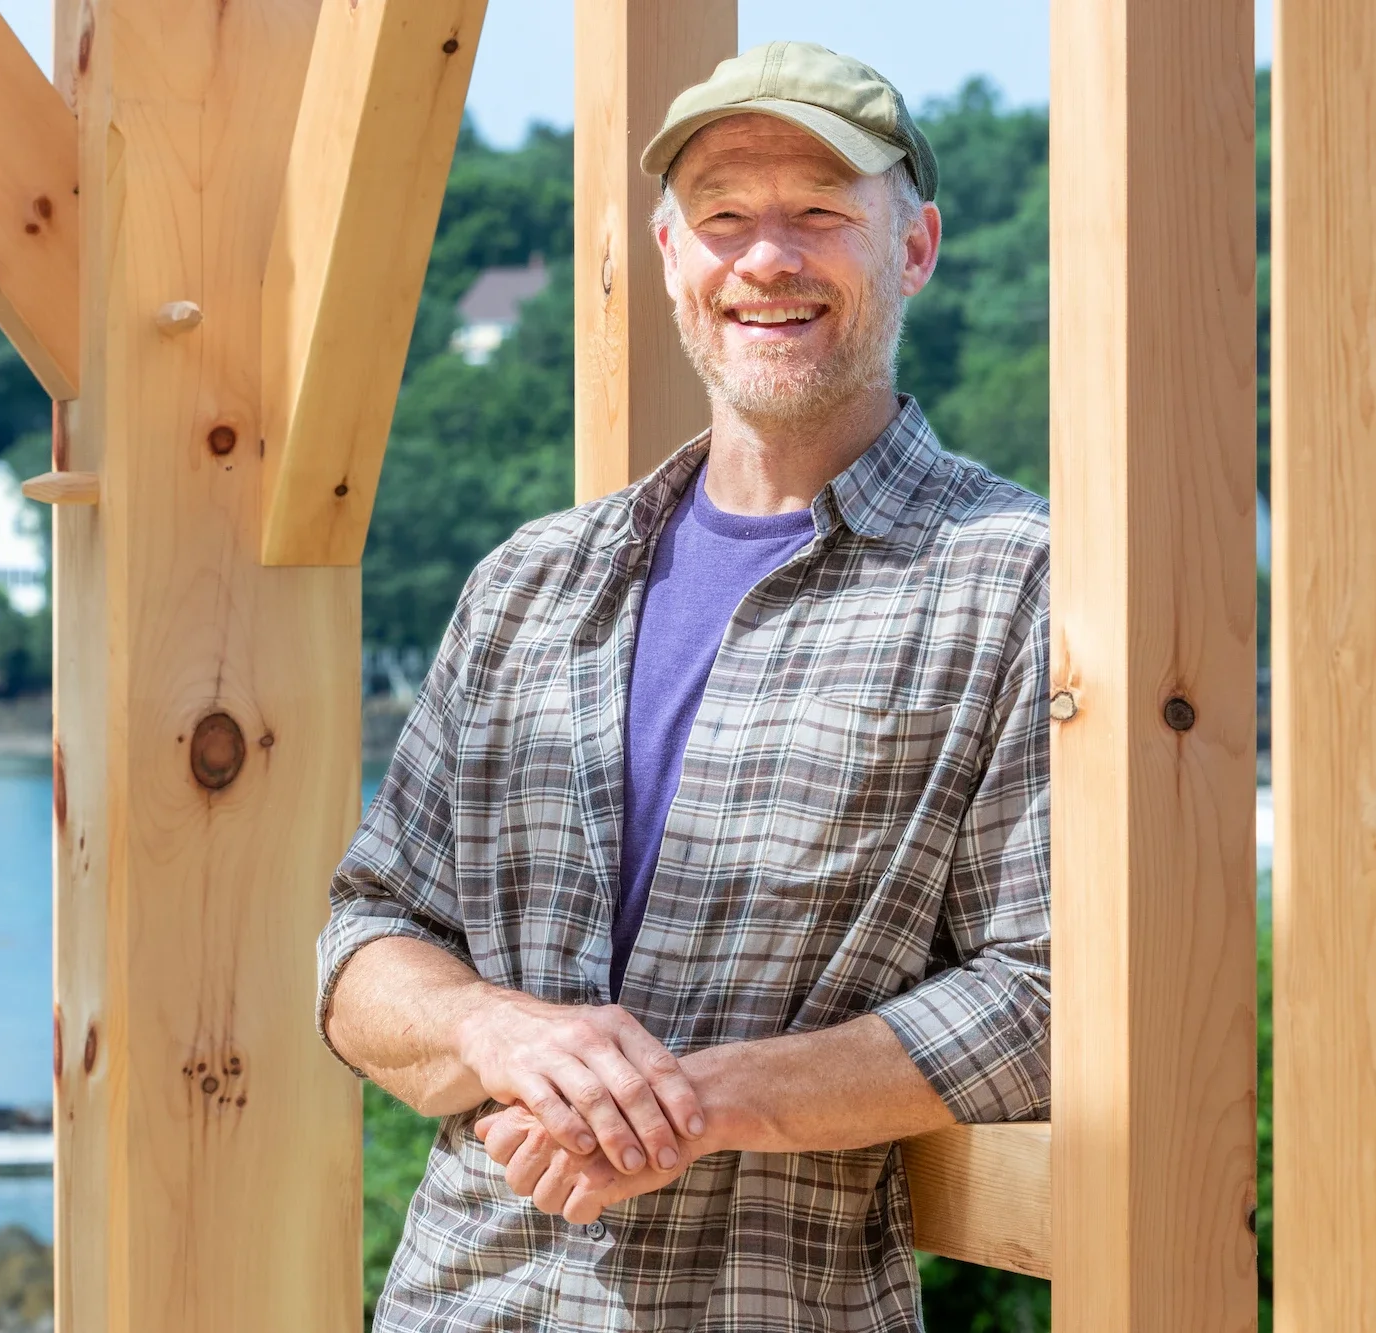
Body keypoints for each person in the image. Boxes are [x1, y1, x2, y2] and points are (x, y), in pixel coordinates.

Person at [318, 39, 1049, 1332]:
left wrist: (695, 1103)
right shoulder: (528, 585)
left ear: (916, 248)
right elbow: (363, 944)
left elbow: (1042, 999)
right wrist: (502, 1033)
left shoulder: (1017, 584)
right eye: (723, 219)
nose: (766, 257)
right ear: (671, 261)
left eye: (820, 214)